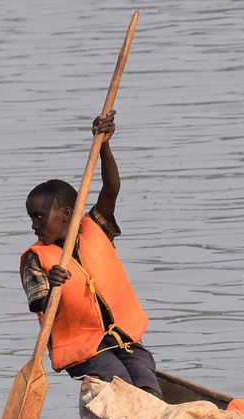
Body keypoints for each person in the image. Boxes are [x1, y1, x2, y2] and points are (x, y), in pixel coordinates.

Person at [20, 110, 163, 399]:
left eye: (39, 217)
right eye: (31, 218)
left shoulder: (95, 226)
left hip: (123, 338)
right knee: (119, 383)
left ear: (65, 215)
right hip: (85, 349)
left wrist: (104, 144)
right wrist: (53, 284)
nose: (34, 225)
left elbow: (111, 188)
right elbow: (41, 306)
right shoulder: (37, 259)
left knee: (146, 381)